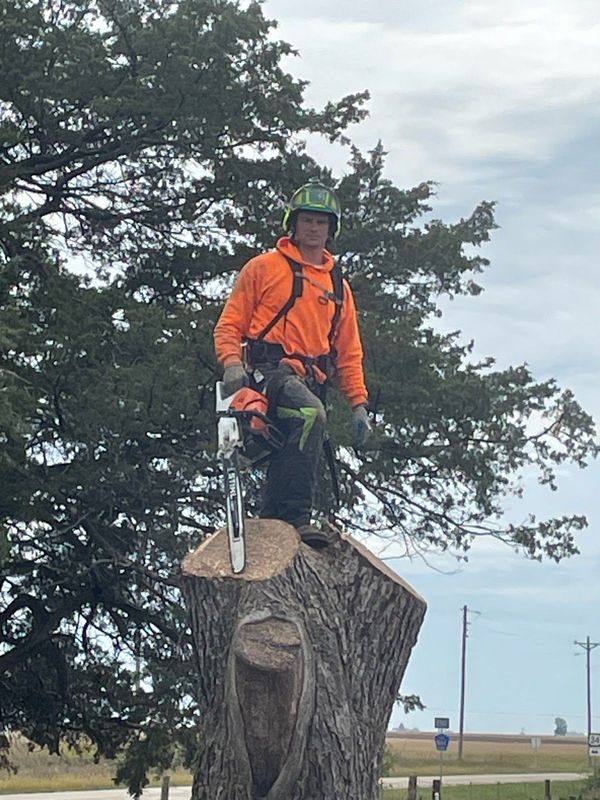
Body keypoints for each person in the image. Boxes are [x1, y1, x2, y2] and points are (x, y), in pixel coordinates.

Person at [214, 180, 370, 547]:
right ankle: (295, 518)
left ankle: (271, 523)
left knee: (301, 435)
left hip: (311, 378)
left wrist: (359, 403)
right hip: (267, 373)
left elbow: (348, 351)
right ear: (293, 224)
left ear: (332, 229)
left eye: (321, 222)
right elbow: (230, 323)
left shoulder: (338, 285)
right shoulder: (264, 268)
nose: (314, 229)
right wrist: (232, 363)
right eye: (307, 221)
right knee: (310, 415)